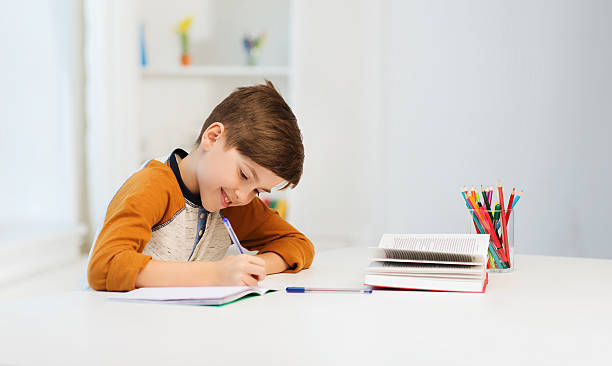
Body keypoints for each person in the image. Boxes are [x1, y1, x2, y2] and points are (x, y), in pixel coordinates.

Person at [87, 80, 314, 291]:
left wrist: (252, 267)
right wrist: (216, 274)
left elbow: (299, 245)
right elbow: (104, 265)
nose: (242, 196)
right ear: (213, 137)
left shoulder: (234, 203)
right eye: (244, 175)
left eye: (257, 191)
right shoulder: (152, 186)